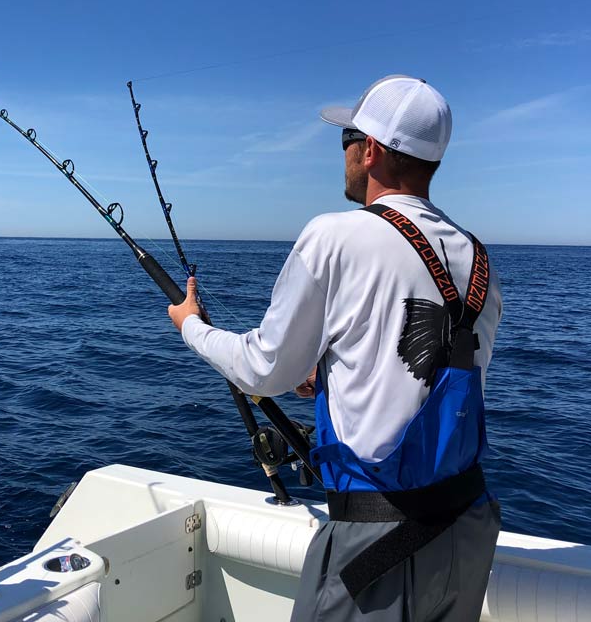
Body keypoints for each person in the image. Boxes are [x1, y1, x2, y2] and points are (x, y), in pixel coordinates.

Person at [168, 75, 503, 621]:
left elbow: (262, 368)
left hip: (379, 543)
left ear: (370, 150)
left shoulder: (335, 236)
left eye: (348, 137)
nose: (344, 151)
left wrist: (191, 327)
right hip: (466, 529)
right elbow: (428, 379)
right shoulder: (479, 260)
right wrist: (328, 379)